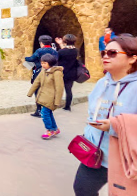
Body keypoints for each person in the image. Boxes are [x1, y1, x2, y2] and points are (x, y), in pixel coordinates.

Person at [73, 36, 137, 195]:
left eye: (113, 53)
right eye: (104, 52)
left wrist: (115, 125)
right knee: (82, 189)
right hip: (95, 155)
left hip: (126, 158)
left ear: (132, 58)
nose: (106, 56)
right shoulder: (102, 83)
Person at [27, 54, 64, 139]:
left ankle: (49, 130)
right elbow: (37, 82)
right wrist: (30, 92)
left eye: (44, 63)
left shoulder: (57, 73)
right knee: (48, 113)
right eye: (42, 63)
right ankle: (54, 129)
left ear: (50, 63)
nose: (42, 65)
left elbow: (59, 88)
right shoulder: (43, 71)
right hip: (43, 96)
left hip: (51, 98)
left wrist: (57, 101)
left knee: (44, 113)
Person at [25, 35, 59, 117]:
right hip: (51, 72)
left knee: (38, 90)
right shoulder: (54, 51)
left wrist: (26, 58)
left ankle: (39, 110)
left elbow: (31, 59)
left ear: (41, 43)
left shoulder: (39, 50)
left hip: (40, 72)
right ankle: (47, 109)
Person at [56, 34, 79, 111]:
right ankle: (67, 106)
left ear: (65, 41)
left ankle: (55, 103)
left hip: (62, 73)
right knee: (68, 90)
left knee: (57, 89)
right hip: (72, 72)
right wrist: (61, 44)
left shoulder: (61, 52)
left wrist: (60, 44)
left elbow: (59, 56)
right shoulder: (75, 51)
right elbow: (67, 50)